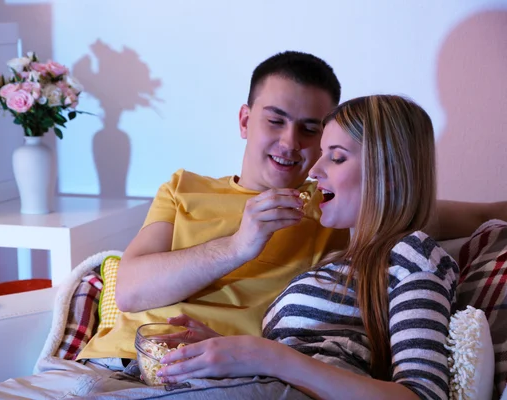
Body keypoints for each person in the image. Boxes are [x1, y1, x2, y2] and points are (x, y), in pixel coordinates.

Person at [0, 52, 506, 399]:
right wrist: (240, 244)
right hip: (115, 364)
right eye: (275, 120)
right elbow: (129, 287)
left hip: (226, 379)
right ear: (245, 119)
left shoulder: (337, 212)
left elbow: (426, 208)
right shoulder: (184, 187)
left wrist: (248, 352)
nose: (294, 147)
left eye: (315, 133)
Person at [154, 95, 459, 400]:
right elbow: (298, 362)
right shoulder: (335, 263)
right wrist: (227, 348)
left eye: (336, 157)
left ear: (389, 174)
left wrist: (264, 355)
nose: (314, 170)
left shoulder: (413, 255)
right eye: (322, 153)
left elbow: (423, 395)